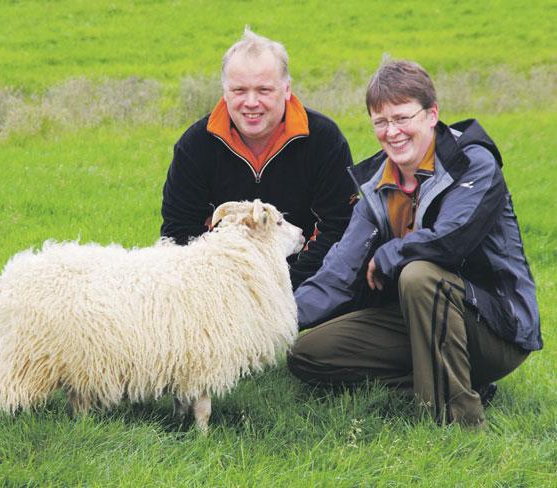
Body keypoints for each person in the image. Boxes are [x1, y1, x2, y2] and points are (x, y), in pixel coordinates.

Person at [288, 60, 542, 428]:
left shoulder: (473, 163)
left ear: (432, 114)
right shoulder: (376, 185)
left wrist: (391, 253)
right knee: (308, 355)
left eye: (402, 117)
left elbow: (450, 241)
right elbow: (337, 275)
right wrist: (270, 322)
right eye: (380, 122)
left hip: (495, 329)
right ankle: (457, 384)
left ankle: (457, 420)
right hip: (418, 319)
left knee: (418, 273)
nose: (392, 132)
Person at [160, 27, 355, 289]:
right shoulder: (195, 146)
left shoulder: (324, 140)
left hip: (305, 283)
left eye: (264, 90)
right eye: (239, 90)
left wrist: (281, 292)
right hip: (220, 288)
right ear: (225, 91)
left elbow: (339, 228)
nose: (251, 102)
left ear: (286, 89)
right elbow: (179, 234)